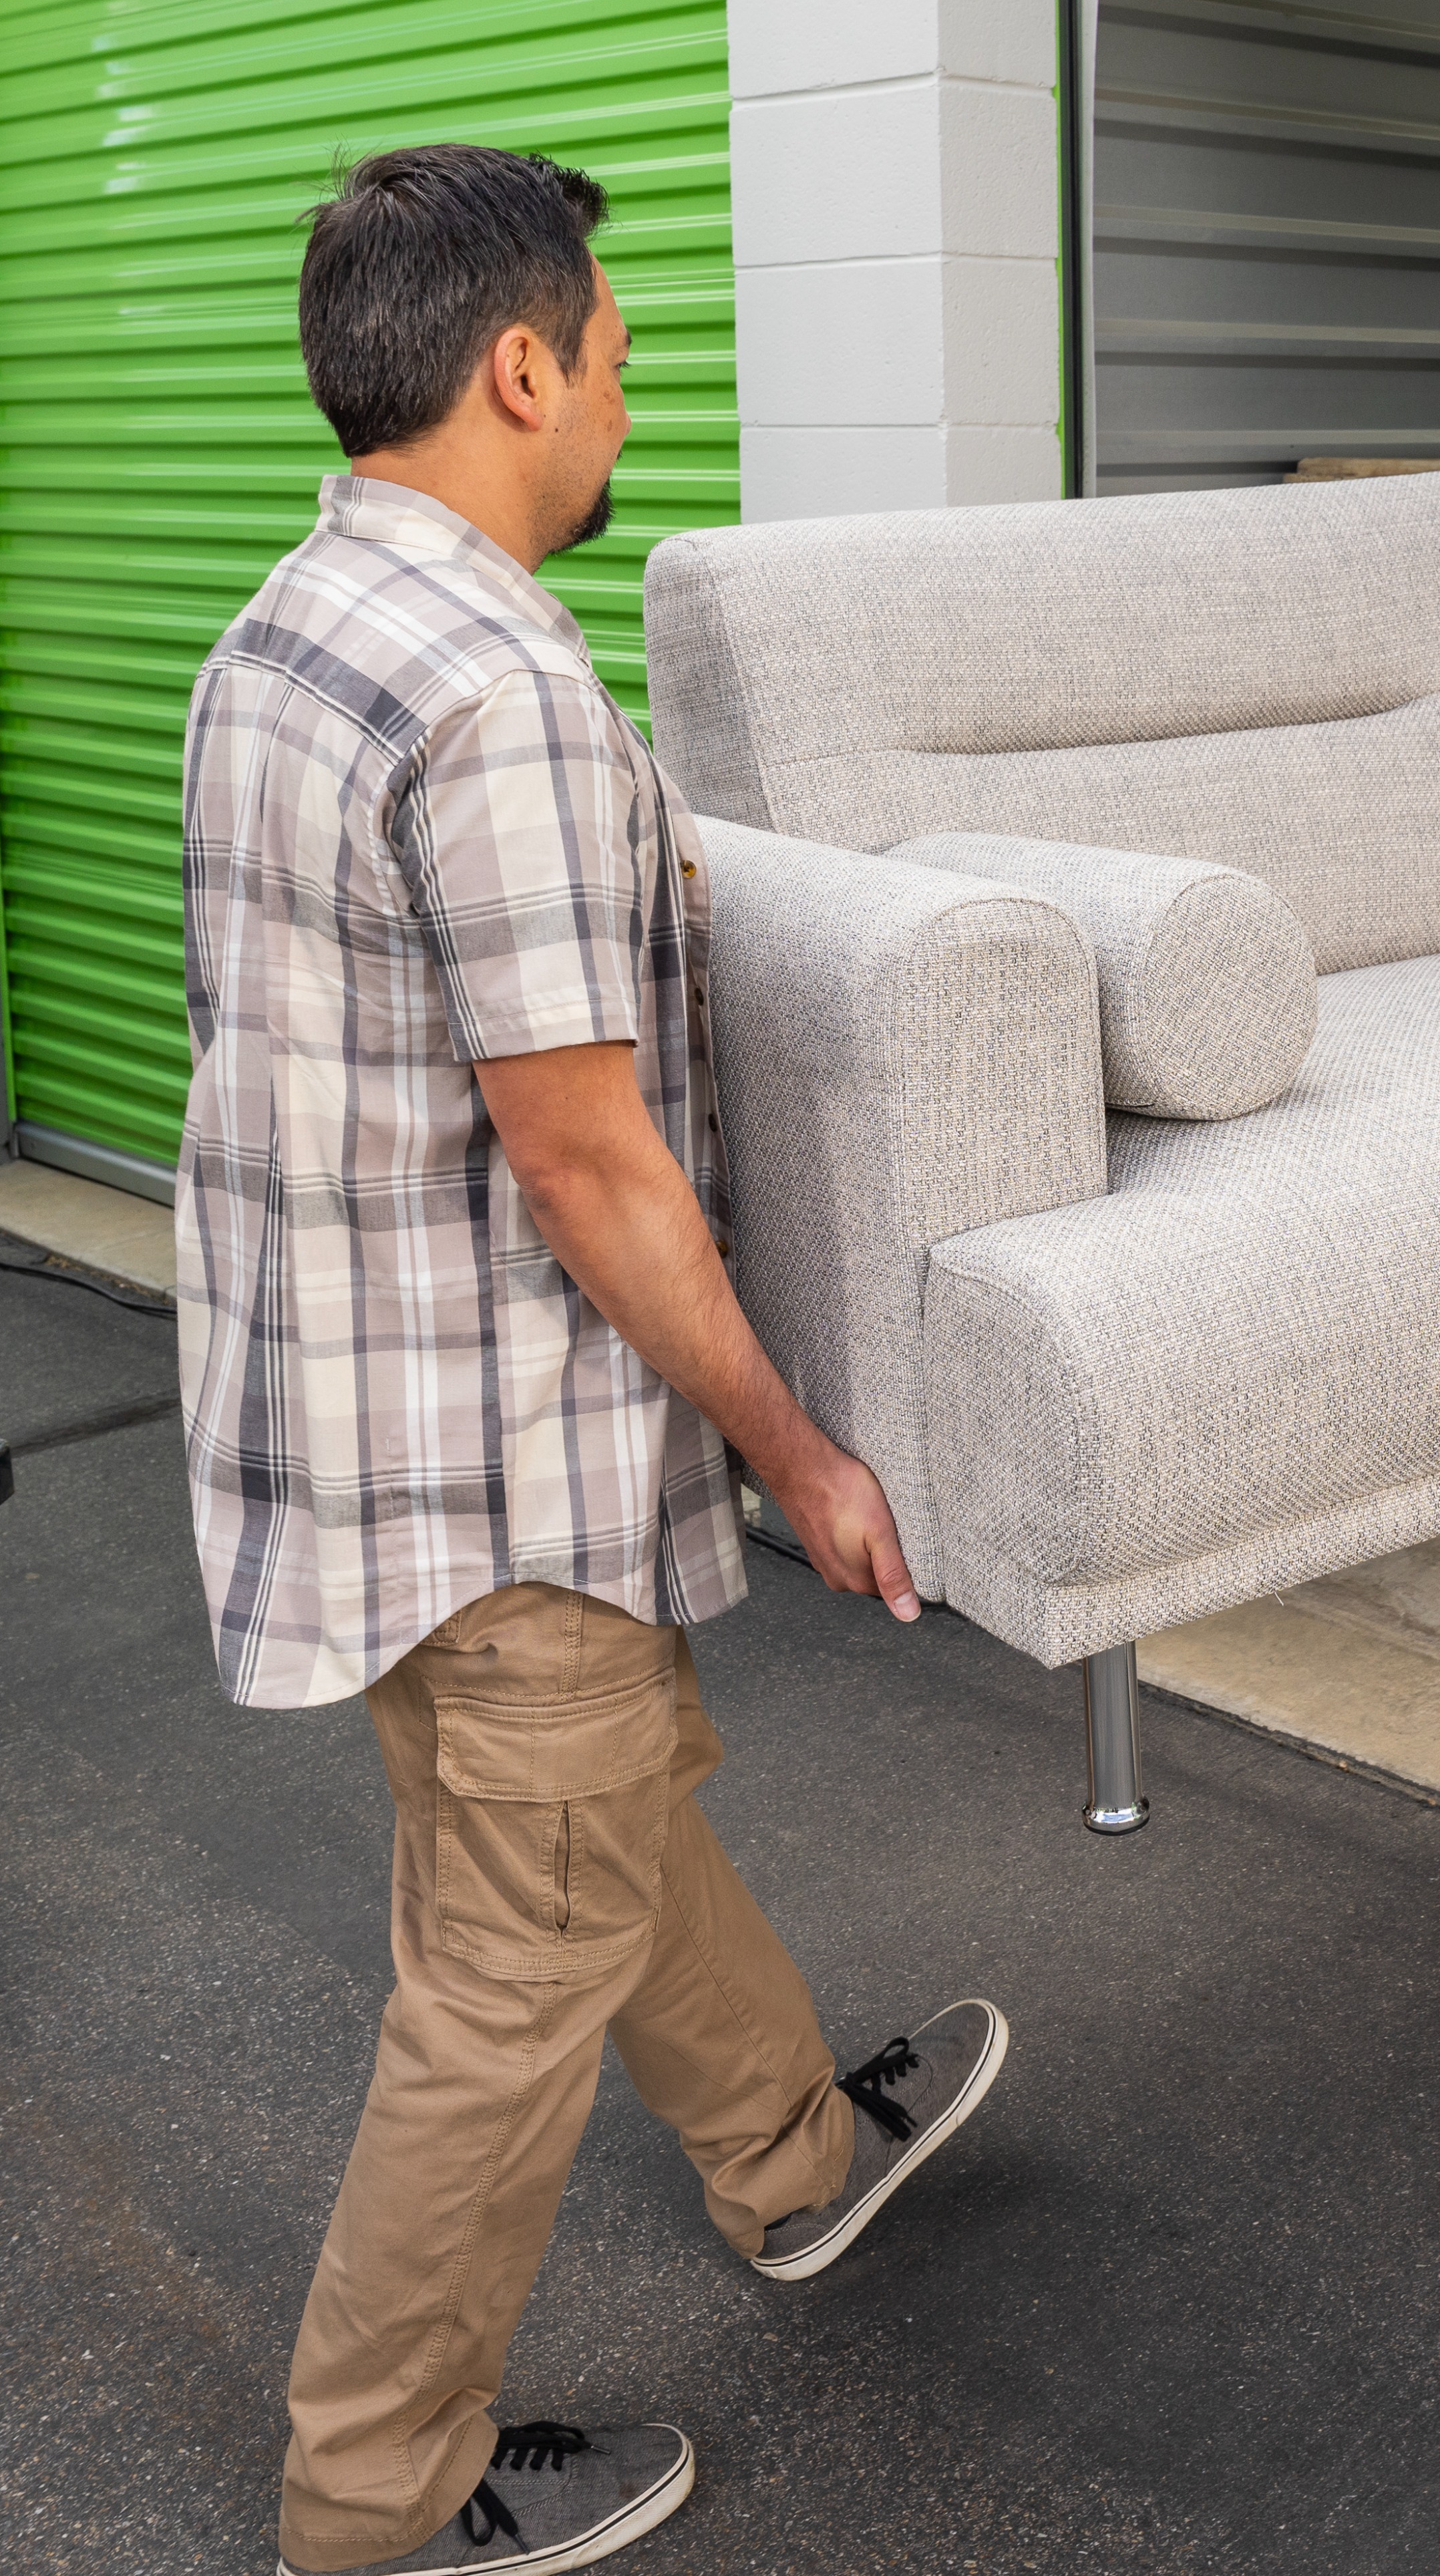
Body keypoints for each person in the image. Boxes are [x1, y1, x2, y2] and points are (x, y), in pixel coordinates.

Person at [177, 143, 1008, 2576]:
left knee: (591, 1818)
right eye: (621, 360)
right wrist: (797, 1446)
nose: (633, 402)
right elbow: (583, 1157)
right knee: (512, 1957)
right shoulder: (499, 689)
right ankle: (374, 2490)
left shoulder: (290, 627)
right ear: (522, 367)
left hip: (347, 1425)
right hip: (489, 1457)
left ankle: (796, 2159)